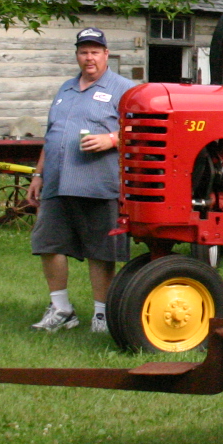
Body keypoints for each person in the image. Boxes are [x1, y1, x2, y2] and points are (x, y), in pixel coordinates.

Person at [27, 28, 133, 332]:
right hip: (57, 181)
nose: (89, 58)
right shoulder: (66, 89)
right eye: (84, 52)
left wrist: (112, 140)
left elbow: (141, 129)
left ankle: (102, 315)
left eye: (95, 52)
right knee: (48, 243)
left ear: (106, 54)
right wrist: (38, 174)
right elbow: (52, 136)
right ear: (77, 55)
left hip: (97, 183)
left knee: (101, 250)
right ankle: (61, 309)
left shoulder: (124, 89)